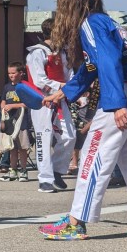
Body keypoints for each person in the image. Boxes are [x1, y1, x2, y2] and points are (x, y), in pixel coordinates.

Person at [41, 0, 127, 240]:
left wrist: (116, 105)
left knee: (92, 156)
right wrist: (64, 92)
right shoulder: (109, 23)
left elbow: (106, 63)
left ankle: (76, 222)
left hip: (123, 97)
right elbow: (92, 67)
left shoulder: (90, 24)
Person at [25, 17, 76, 193]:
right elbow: (39, 80)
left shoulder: (63, 52)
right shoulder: (37, 53)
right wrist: (62, 86)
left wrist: (74, 88)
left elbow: (69, 74)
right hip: (43, 101)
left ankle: (56, 170)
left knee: (70, 136)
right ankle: (45, 179)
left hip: (61, 99)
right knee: (43, 139)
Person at [0, 62, 31, 182]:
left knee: (22, 148)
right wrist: (3, 107)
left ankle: (23, 170)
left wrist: (12, 106)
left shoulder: (24, 86)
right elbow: (3, 100)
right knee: (12, 148)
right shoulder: (7, 87)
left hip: (21, 121)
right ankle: (13, 170)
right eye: (9, 73)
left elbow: (28, 104)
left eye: (13, 73)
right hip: (10, 122)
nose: (11, 75)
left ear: (21, 73)